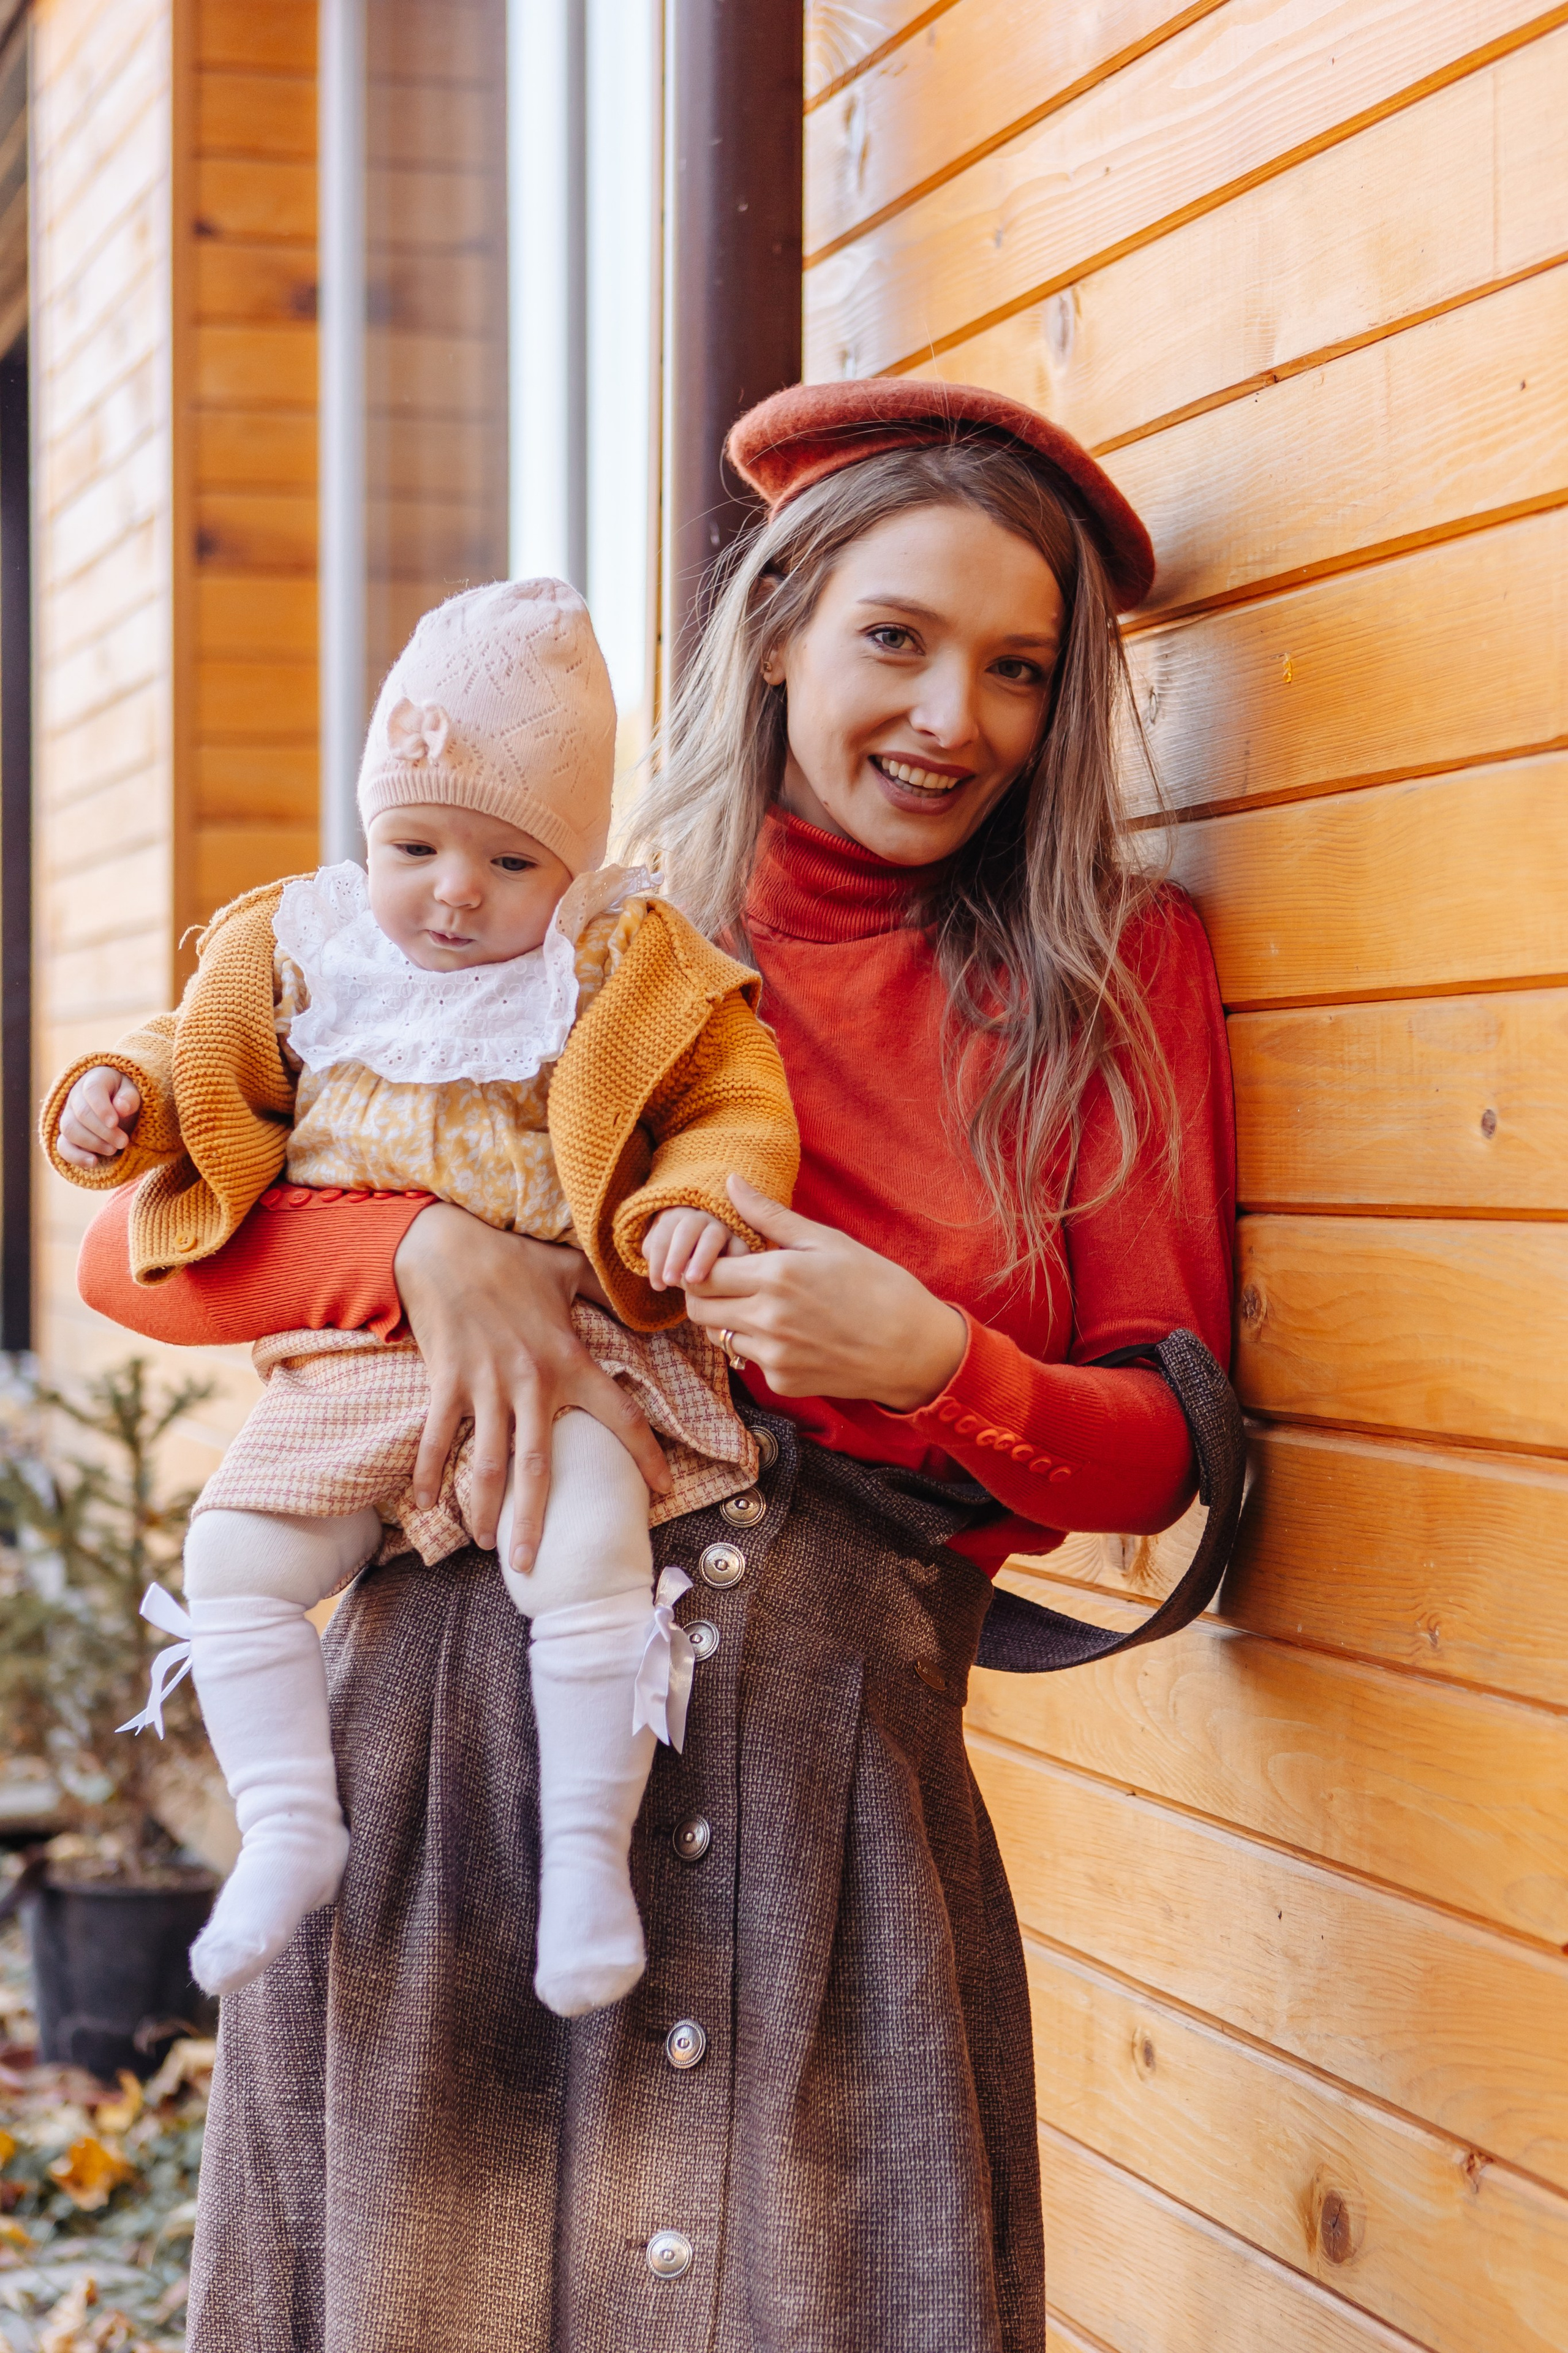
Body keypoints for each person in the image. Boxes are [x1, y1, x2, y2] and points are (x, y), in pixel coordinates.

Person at [77, 379, 1235, 2352]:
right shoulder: (582, 922)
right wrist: (427, 1252)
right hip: (460, 1778)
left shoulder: (1111, 979)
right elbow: (138, 1248)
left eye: (1018, 669)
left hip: (831, 1818)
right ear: (778, 632)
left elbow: (1157, 1461)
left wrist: (942, 1362)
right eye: (895, 637)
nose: (952, 714)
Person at [41, 576, 797, 2018]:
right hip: (348, 1362)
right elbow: (186, 1054)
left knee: (585, 1546)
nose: (454, 889)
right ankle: (285, 1825)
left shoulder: (622, 967)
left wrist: (693, 1201)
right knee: (236, 1557)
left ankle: (588, 1855)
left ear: (571, 867)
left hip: (562, 1355)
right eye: (415, 843)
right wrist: (117, 1098)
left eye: (510, 862)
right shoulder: (298, 945)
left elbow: (728, 1103)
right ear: (365, 829)